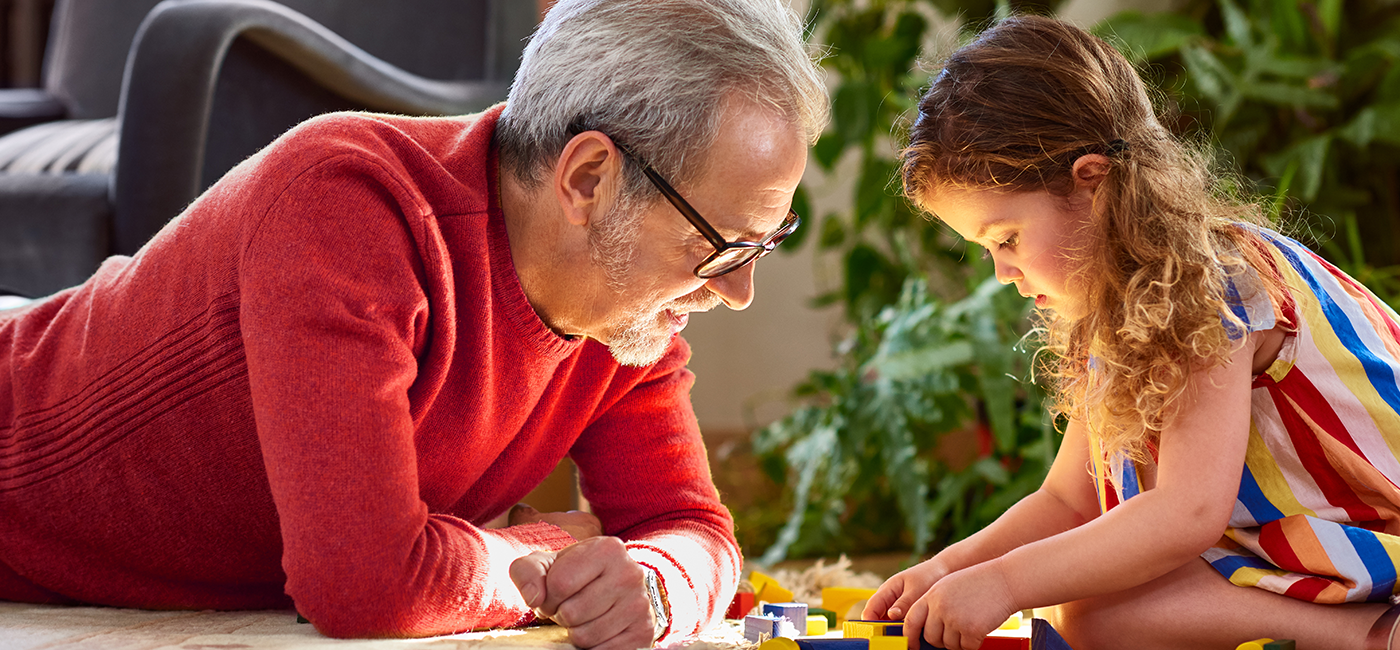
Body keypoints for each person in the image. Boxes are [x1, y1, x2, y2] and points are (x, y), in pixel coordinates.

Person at [0, 0, 827, 647]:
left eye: (764, 244)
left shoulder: (626, 310)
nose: (738, 289)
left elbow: (693, 529)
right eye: (718, 244)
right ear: (588, 178)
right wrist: (540, 551)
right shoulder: (346, 205)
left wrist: (652, 581)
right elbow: (363, 584)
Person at [864, 14, 1400, 650]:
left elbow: (1186, 513)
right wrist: (950, 567)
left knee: (1095, 606)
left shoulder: (1212, 283)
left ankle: (1366, 634)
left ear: (1094, 183)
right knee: (1095, 615)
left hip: (1379, 526)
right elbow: (1069, 500)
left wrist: (1006, 584)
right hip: (1310, 546)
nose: (1003, 271)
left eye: (1005, 238)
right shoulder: (1116, 307)